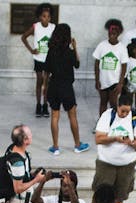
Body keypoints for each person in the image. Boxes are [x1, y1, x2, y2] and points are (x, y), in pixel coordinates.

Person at [90, 93, 136, 203]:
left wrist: (131, 143)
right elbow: (99, 139)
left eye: (127, 112)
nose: (125, 114)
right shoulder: (107, 116)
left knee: (121, 195)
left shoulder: (135, 118)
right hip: (106, 163)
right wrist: (114, 138)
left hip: (127, 165)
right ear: (117, 106)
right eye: (122, 111)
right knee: (102, 194)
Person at [43, 24, 86, 154]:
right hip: (66, 87)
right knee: (72, 116)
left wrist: (45, 87)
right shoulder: (70, 52)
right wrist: (75, 47)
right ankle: (77, 145)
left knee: (54, 116)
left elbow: (46, 72)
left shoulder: (51, 51)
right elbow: (77, 64)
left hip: (54, 85)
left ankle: (55, 147)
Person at [21, 3, 56, 117]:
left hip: (49, 59)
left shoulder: (53, 27)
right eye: (44, 16)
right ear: (40, 17)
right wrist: (31, 50)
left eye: (48, 16)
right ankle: (38, 104)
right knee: (39, 81)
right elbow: (23, 37)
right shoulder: (36, 27)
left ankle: (45, 105)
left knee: (46, 83)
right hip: (38, 59)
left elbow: (57, 41)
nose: (46, 18)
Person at [92, 19, 128, 112]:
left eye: (115, 32)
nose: (112, 34)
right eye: (110, 32)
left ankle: (113, 123)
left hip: (115, 82)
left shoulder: (122, 48)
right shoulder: (102, 45)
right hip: (103, 80)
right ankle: (102, 123)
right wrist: (97, 80)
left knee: (113, 103)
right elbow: (96, 64)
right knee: (103, 102)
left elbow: (124, 67)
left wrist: (120, 83)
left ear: (119, 33)